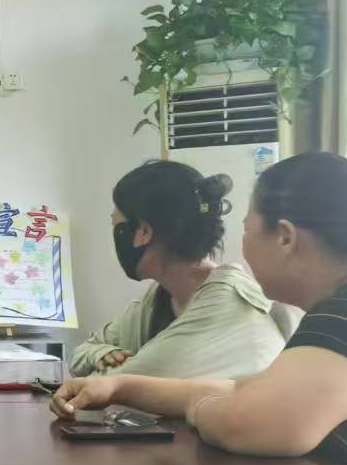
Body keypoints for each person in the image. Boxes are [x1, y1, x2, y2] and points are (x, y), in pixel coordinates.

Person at [53, 152, 347, 465]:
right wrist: (120, 385)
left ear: (284, 237)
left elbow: (250, 423)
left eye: (246, 229)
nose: (240, 247)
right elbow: (248, 389)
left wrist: (201, 407)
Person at [69, 160, 293, 380]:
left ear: (143, 232)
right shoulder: (158, 299)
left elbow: (111, 385)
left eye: (116, 225)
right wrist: (100, 353)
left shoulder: (225, 304)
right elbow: (82, 353)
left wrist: (102, 369)